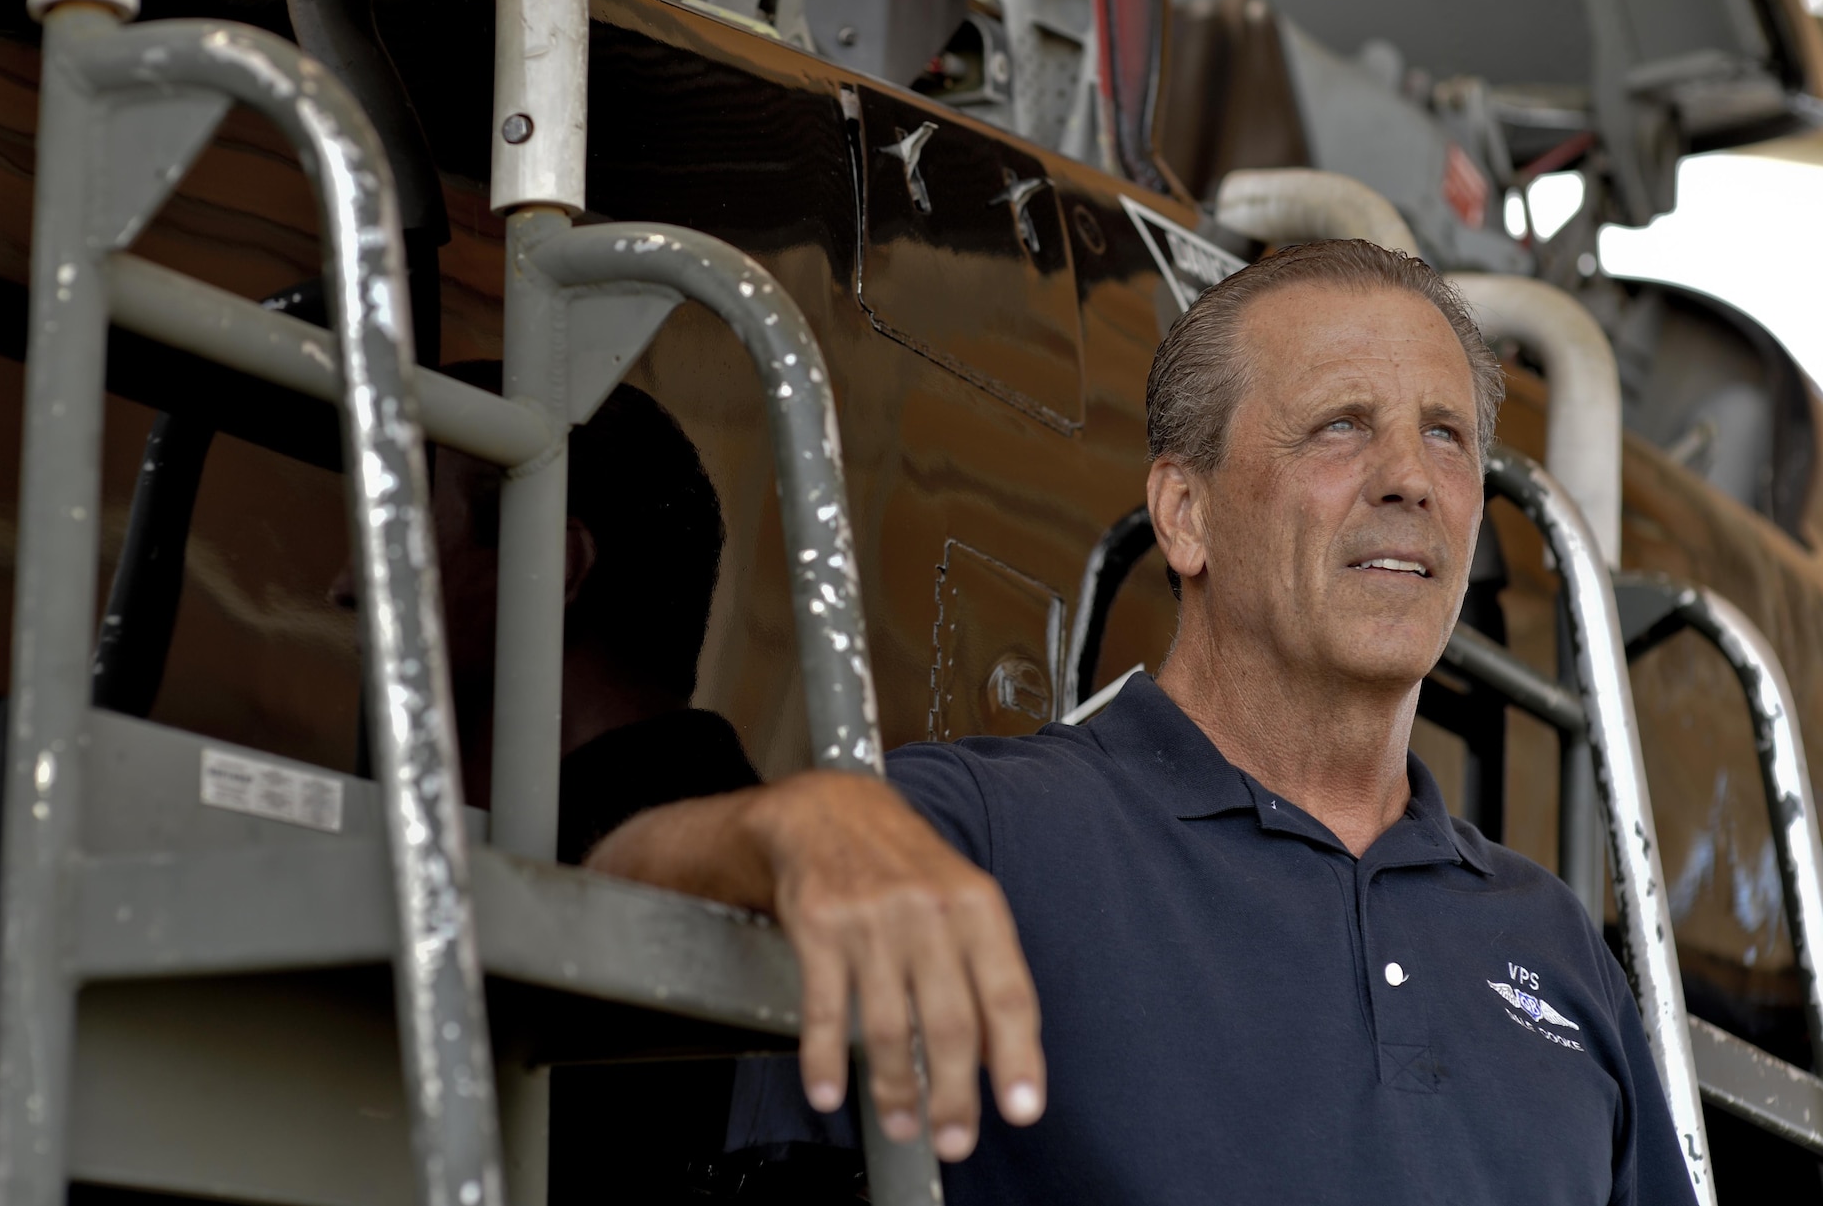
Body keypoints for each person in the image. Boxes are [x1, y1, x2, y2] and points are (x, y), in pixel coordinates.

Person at [587, 240, 1700, 1203]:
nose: (1408, 475)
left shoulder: (1554, 947)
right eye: (1337, 426)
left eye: (1447, 435)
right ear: (1185, 512)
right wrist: (791, 830)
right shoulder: (982, 830)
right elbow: (603, 901)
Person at [335, 362, 757, 1202]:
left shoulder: (649, 895)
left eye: (397, 527)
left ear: (549, 567)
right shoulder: (707, 824)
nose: (346, 584)